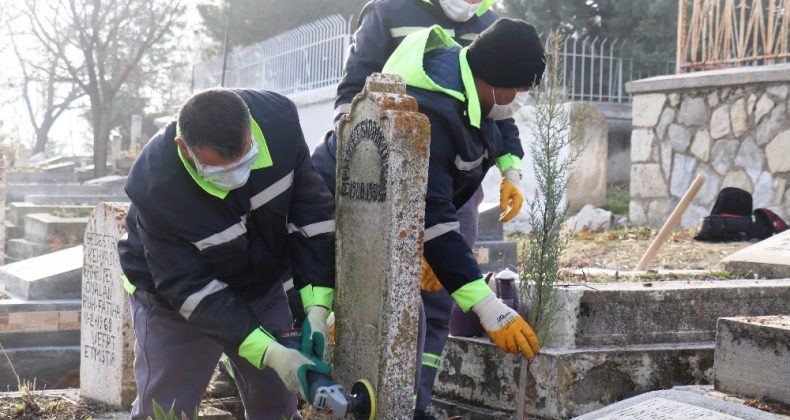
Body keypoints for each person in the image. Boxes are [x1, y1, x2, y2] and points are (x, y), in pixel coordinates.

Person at [311, 1, 527, 417]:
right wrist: (359, 162)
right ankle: (380, 395)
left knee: (442, 293)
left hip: (453, 187)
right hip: (387, 182)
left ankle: (415, 403)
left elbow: (498, 105)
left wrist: (510, 167)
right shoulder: (389, 11)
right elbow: (353, 89)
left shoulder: (489, 23)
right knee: (387, 295)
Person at [118, 88, 336, 419]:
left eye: (246, 160)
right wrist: (271, 352)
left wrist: (317, 309)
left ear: (251, 127)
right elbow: (190, 289)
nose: (238, 176)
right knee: (167, 409)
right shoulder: (156, 189)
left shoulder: (280, 125)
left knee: (277, 400)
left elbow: (311, 216)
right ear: (185, 149)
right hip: (175, 301)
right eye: (220, 171)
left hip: (259, 282)